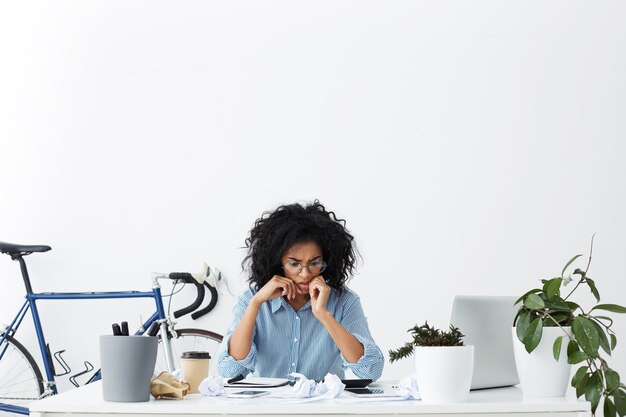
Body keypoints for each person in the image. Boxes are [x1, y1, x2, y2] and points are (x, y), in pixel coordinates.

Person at [217, 200, 384, 381]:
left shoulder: (344, 301)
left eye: (314, 263)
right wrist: (255, 304)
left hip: (324, 408)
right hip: (268, 407)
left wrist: (323, 315)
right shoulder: (251, 299)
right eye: (294, 263)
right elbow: (229, 371)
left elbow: (371, 372)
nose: (305, 274)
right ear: (278, 262)